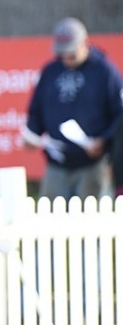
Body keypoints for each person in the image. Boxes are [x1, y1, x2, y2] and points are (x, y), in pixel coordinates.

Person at [21, 18, 123, 201]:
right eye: (62, 54)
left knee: (92, 222)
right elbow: (36, 109)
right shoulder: (50, 71)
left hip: (93, 164)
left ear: (85, 43)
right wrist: (32, 134)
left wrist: (104, 140)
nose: (66, 59)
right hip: (57, 164)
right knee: (51, 219)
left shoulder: (105, 72)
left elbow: (119, 113)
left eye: (72, 53)